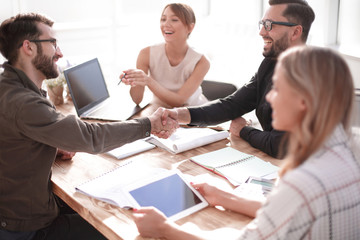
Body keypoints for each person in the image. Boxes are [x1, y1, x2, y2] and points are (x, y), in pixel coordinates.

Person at [132, 45, 360, 239]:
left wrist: (165, 229)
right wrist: (225, 198)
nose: (269, 97)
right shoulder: (351, 148)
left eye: (277, 89)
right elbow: (287, 212)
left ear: (303, 101)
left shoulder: (301, 184)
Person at [0, 13, 178, 240]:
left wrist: (51, 146)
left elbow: (15, 140)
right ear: (28, 47)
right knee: (126, 229)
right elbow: (89, 137)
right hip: (27, 228)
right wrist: (148, 125)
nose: (60, 52)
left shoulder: (11, 86)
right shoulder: (22, 101)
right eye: (53, 43)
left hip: (20, 213)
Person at [158, 0, 315, 158]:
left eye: (269, 25)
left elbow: (280, 146)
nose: (261, 32)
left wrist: (243, 130)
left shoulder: (308, 77)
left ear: (295, 32)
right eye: (262, 24)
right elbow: (232, 105)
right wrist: (178, 114)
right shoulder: (271, 64)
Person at [120, 3, 210, 107]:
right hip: (160, 112)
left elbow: (179, 101)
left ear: (190, 27)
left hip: (194, 115)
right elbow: (137, 100)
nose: (166, 24)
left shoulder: (201, 61)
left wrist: (148, 80)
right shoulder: (146, 54)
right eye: (163, 19)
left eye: (174, 20)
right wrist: (134, 79)